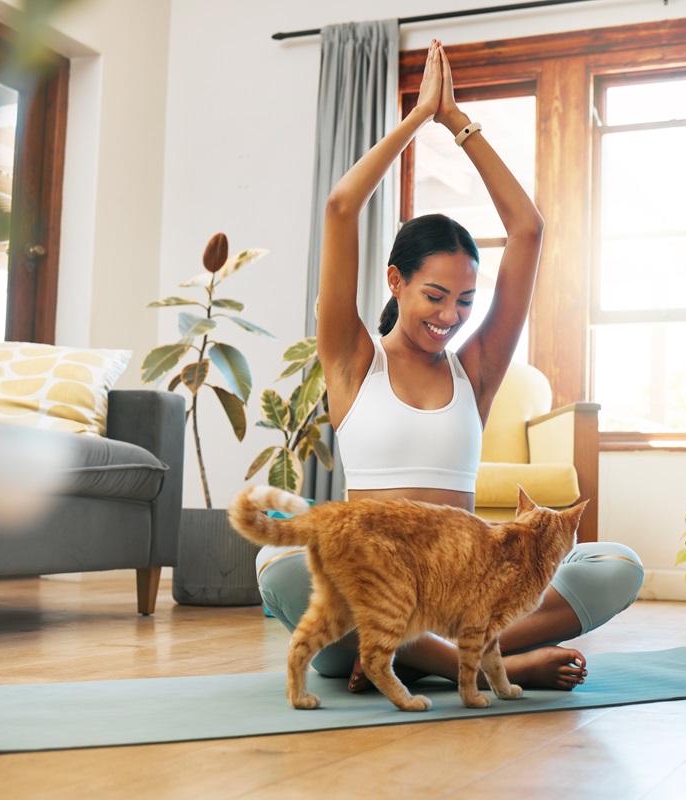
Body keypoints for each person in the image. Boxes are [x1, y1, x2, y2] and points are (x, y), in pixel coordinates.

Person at [256, 39, 643, 692]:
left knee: (616, 566)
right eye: (434, 296)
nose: (450, 316)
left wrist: (458, 122)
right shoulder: (353, 362)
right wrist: (416, 119)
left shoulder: (478, 370)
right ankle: (500, 664)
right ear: (395, 282)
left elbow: (528, 230)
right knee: (284, 571)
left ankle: (418, 657)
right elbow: (340, 208)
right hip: (367, 595)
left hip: (463, 594)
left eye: (465, 300)